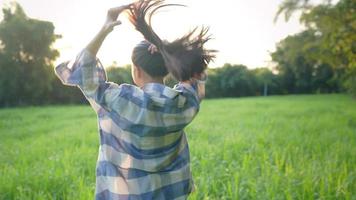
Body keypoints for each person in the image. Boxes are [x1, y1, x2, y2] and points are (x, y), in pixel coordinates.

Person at [55, 0, 215, 199]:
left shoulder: (120, 100)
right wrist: (166, 49)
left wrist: (105, 28)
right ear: (166, 68)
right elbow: (197, 76)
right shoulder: (183, 103)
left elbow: (80, 72)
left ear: (136, 70)